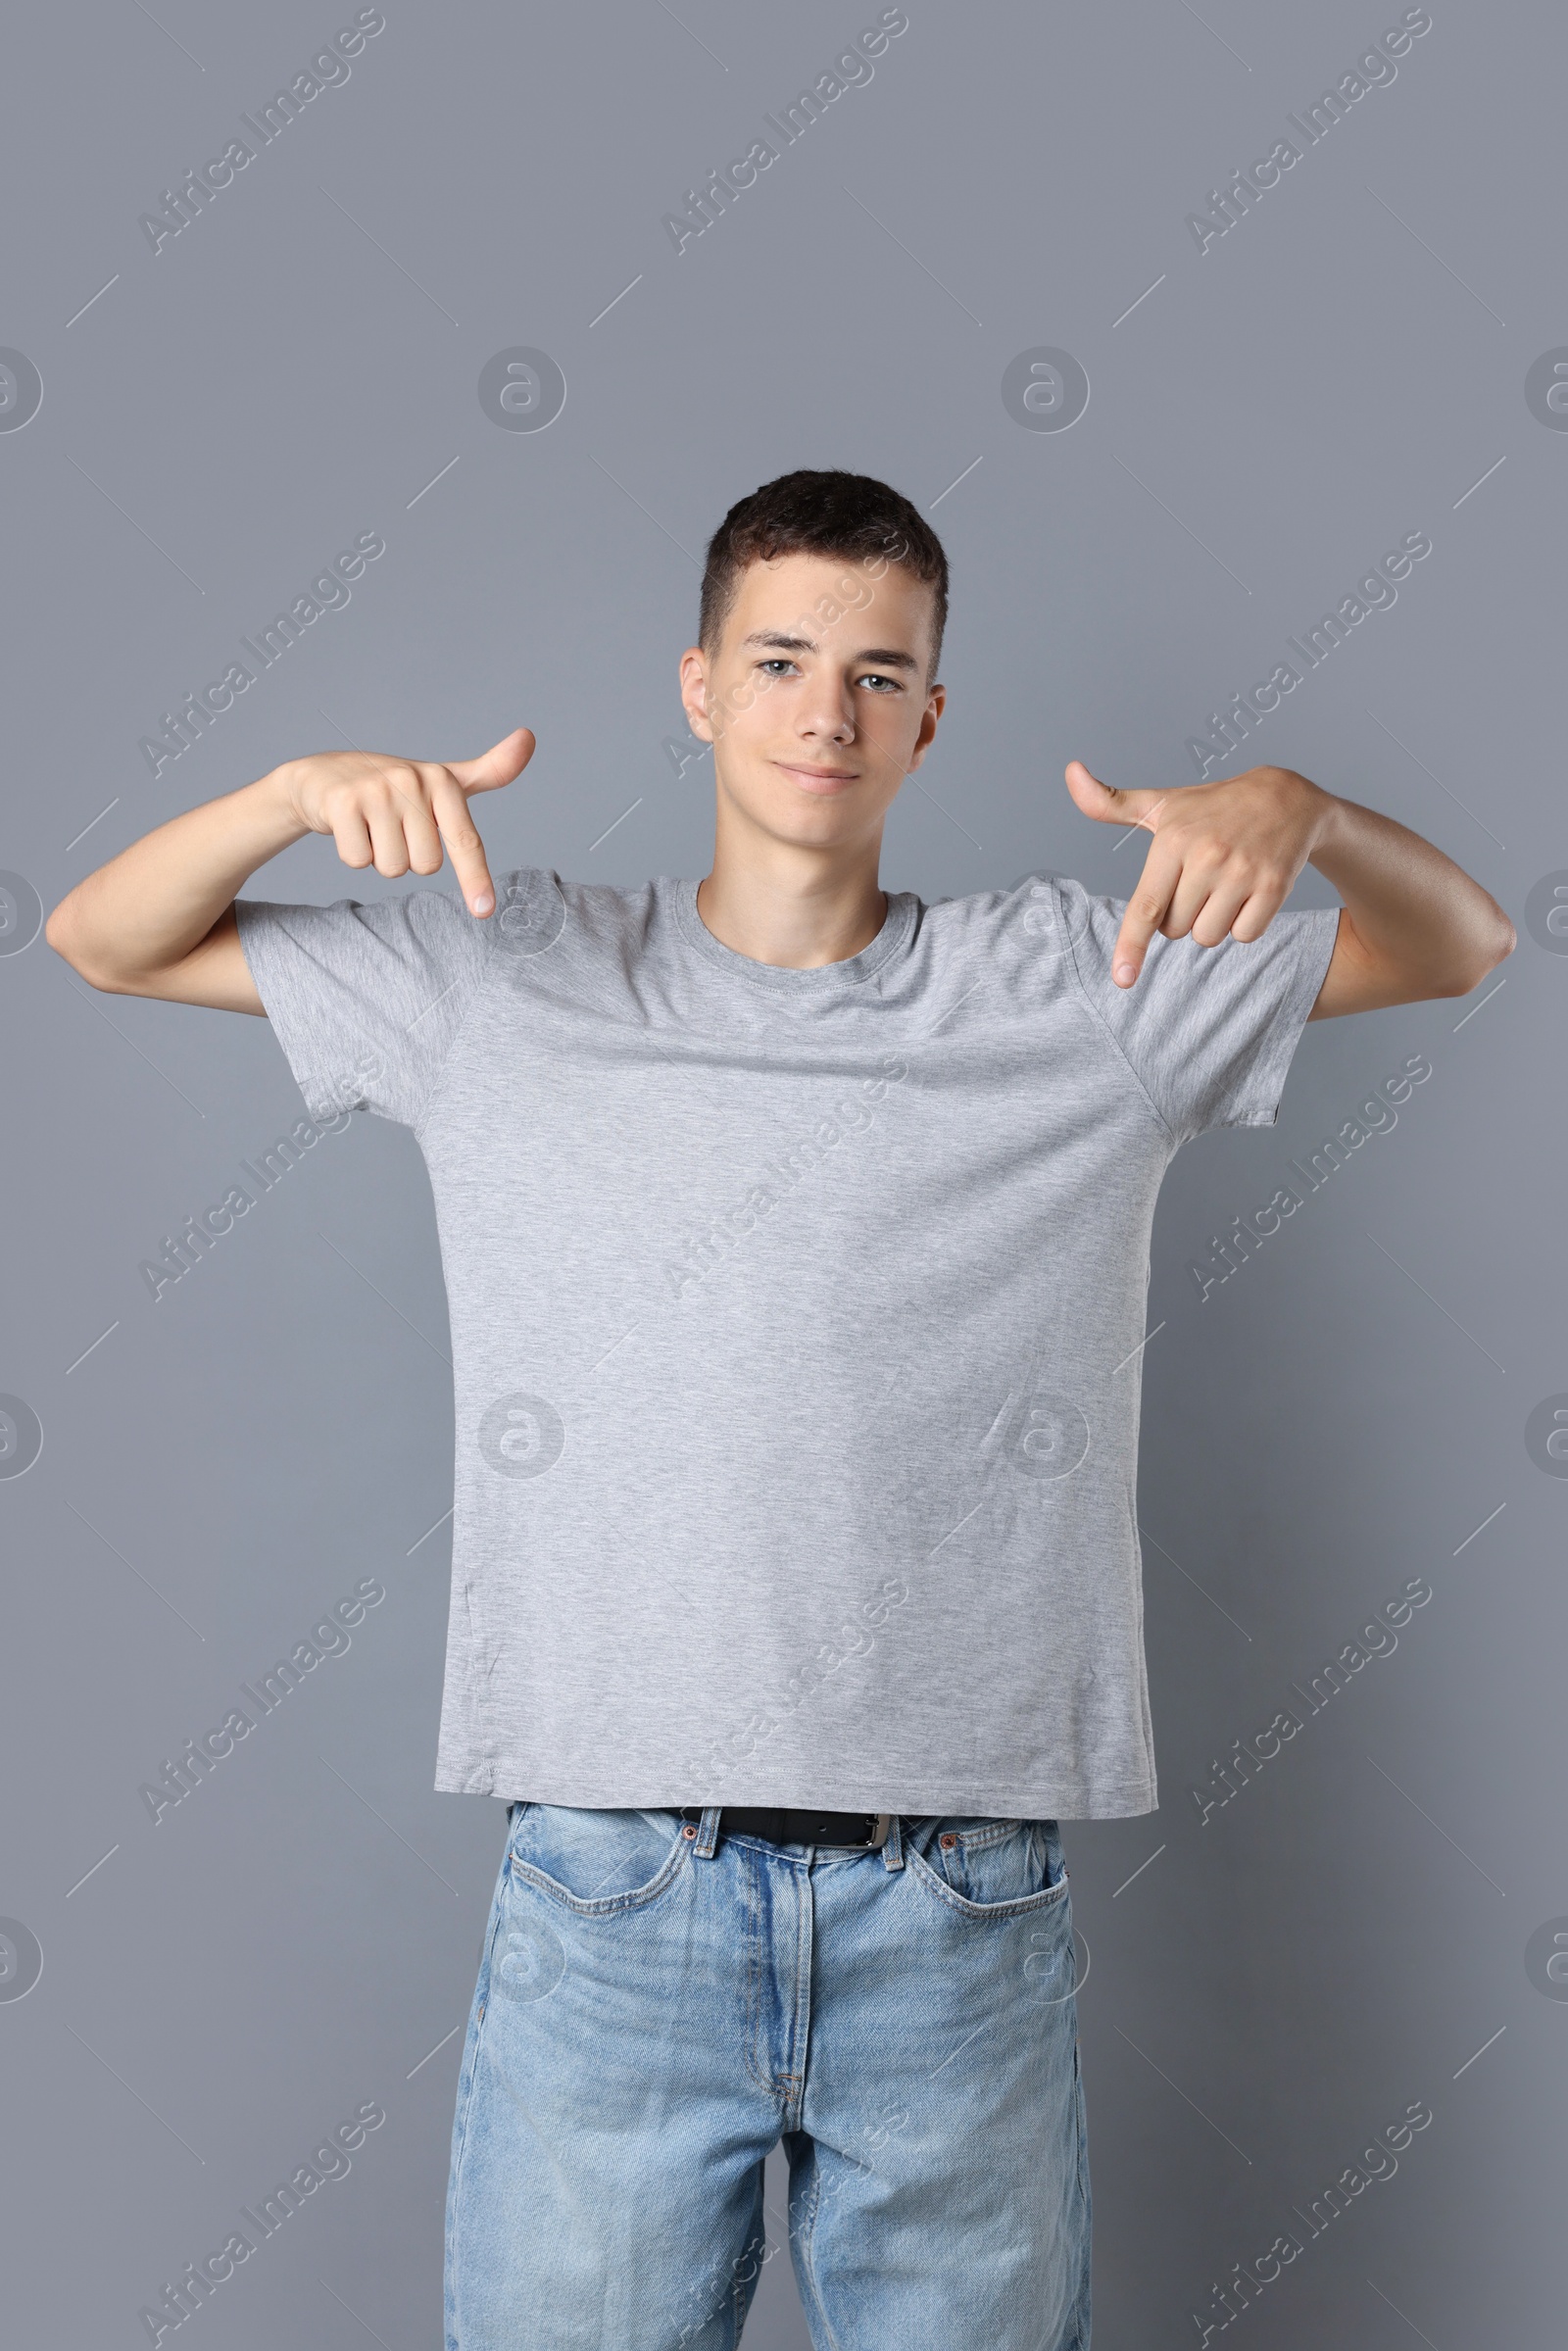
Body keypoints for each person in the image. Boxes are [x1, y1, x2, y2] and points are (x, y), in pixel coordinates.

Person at [47, 470, 1512, 2349]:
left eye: (880, 673)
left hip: (957, 1903)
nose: (829, 711)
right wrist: (281, 797)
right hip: (614, 1892)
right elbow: (102, 937)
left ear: (930, 718)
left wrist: (1306, 814)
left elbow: (1463, 939)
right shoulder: (506, 971)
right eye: (784, 660)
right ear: (699, 688)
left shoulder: (1091, 988)